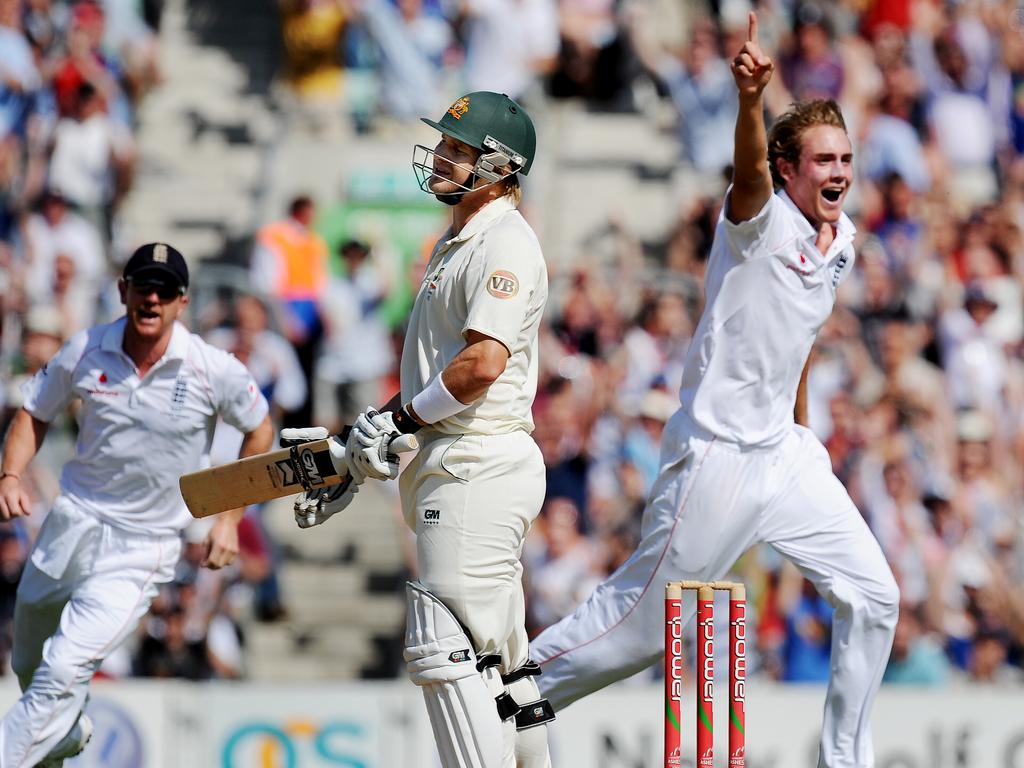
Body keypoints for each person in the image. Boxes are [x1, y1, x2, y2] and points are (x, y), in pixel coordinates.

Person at [529, 14, 900, 768]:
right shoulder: (756, 222)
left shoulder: (844, 240)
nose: (837, 172)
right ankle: (510, 692)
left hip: (785, 454)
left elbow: (798, 339)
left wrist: (801, 434)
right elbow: (749, 176)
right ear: (789, 169)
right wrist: (749, 103)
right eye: (822, 161)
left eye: (845, 159)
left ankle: (845, 762)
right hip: (717, 454)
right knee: (639, 631)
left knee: (876, 598)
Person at [287, 91, 554, 768]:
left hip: (477, 468)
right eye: (442, 144)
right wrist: (381, 439)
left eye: (457, 150)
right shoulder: (460, 238)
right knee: (503, 666)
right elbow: (445, 376)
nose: (439, 157)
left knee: (449, 645)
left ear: (498, 166)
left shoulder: (505, 244)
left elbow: (482, 365)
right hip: (462, 458)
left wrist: (397, 419)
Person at [0, 242, 272, 767]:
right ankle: (63, 732)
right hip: (71, 521)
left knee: (62, 666)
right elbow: (34, 411)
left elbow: (260, 429)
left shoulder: (211, 368)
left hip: (142, 546)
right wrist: (11, 474)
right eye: (143, 286)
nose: (152, 298)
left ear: (182, 303)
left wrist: (230, 518)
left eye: (165, 290)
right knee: (29, 662)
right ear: (122, 291)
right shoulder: (85, 349)